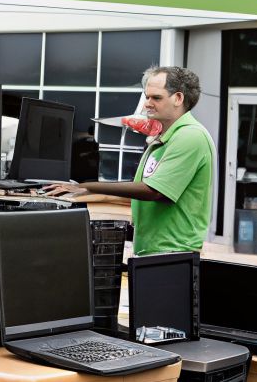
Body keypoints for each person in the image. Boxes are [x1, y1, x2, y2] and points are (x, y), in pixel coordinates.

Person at [43, 66, 214, 255]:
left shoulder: (190, 136)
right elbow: (139, 190)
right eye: (146, 96)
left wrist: (90, 186)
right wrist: (82, 191)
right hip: (154, 251)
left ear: (178, 99)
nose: (147, 104)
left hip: (173, 252)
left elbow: (153, 191)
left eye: (156, 98)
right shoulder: (165, 138)